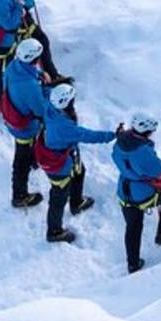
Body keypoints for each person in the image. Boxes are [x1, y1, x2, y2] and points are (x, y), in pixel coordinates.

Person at [37, 83, 115, 244]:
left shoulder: (50, 105)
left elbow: (47, 92)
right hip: (58, 165)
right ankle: (54, 231)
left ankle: (77, 201)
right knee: (59, 195)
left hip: (65, 154)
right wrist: (113, 135)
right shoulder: (64, 127)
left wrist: (42, 80)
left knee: (80, 171)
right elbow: (88, 135)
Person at [113, 113, 161, 273]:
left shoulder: (120, 143)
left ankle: (133, 263)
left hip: (124, 190)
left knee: (133, 226)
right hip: (142, 193)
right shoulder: (142, 151)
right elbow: (156, 170)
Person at [1, 38, 49, 208]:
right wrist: (46, 87)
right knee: (21, 159)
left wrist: (38, 75)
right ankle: (19, 195)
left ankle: (33, 160)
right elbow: (41, 110)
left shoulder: (13, 67)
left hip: (13, 116)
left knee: (24, 152)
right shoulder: (29, 86)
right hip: (25, 127)